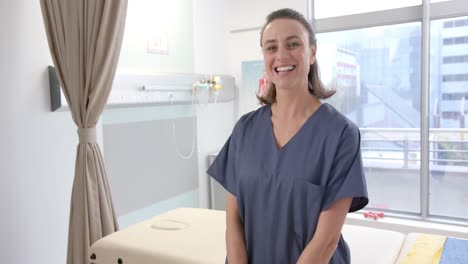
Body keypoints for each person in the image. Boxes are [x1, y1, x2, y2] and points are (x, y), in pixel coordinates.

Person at [207, 8, 368, 264]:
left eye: (293, 44)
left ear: (312, 53)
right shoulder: (245, 130)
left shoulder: (340, 134)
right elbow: (233, 221)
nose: (281, 55)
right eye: (271, 47)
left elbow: (326, 242)